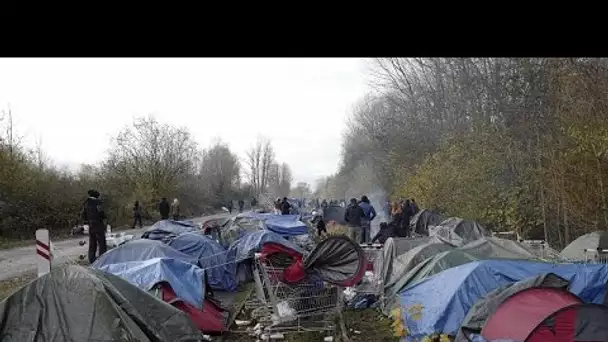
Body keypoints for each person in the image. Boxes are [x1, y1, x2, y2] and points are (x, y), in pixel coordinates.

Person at [82, 189, 107, 264]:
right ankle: (103, 260)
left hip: (91, 225)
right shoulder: (97, 203)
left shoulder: (86, 203)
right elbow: (101, 213)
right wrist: (104, 219)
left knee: (92, 243)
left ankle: (92, 260)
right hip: (98, 225)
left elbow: (83, 215)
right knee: (102, 243)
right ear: (97, 196)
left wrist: (86, 223)